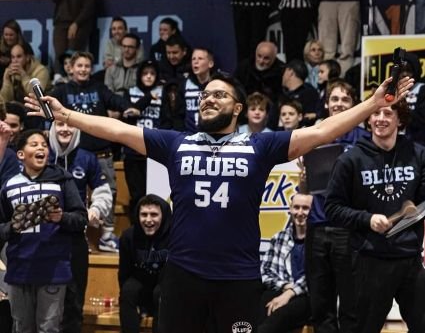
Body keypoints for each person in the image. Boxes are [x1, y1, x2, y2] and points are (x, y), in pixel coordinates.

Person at [24, 72, 414, 333]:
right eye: (205, 95)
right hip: (182, 277)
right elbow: (120, 130)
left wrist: (371, 102)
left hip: (237, 279)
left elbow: (321, 130)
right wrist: (68, 115)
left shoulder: (259, 145)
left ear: (238, 108)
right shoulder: (177, 142)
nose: (208, 99)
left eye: (218, 95)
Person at [325, 99, 425, 333]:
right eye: (375, 113)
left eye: (388, 113)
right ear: (368, 119)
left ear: (399, 119)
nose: (380, 118)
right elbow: (332, 208)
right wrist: (366, 219)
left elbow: (422, 203)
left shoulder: (418, 155)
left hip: (409, 258)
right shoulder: (350, 160)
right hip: (368, 260)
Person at [50, 51, 138, 252]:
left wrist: (129, 107)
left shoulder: (99, 88)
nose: (83, 69)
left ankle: (107, 235)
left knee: (109, 192)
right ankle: (74, 231)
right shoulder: (62, 90)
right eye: (79, 66)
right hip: (74, 154)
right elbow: (47, 110)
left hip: (101, 153)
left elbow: (115, 100)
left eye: (87, 66)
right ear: (70, 68)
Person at [0, 129, 87, 333]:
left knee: (48, 328)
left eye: (44, 145)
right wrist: (12, 226)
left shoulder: (62, 180)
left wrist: (61, 217)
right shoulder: (9, 186)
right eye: (34, 144)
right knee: (22, 327)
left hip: (53, 268)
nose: (41, 148)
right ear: (20, 154)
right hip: (19, 268)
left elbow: (81, 218)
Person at [304, 79, 370, 333]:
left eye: (345, 99)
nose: (339, 104)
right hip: (317, 227)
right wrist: (303, 176)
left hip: (348, 230)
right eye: (335, 99)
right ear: (326, 103)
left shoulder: (365, 139)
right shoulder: (313, 134)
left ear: (354, 104)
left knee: (352, 306)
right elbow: (305, 190)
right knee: (321, 305)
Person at [49, 120, 112, 333]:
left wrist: (96, 210)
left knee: (74, 301)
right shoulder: (42, 154)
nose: (65, 129)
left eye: (70, 125)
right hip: (45, 238)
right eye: (59, 125)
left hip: (75, 237)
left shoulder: (87, 157)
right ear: (52, 128)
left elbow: (103, 191)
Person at [258, 193, 313, 333]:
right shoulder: (279, 238)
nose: (300, 212)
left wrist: (291, 293)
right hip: (281, 289)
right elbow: (265, 272)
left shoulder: (319, 240)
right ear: (290, 209)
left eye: (305, 208)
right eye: (296, 207)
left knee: (273, 323)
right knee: (255, 312)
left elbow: (317, 278)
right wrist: (286, 288)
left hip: (307, 296)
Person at [119, 194, 171, 333]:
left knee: (161, 292)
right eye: (144, 214)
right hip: (141, 285)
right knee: (127, 290)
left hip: (166, 290)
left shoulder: (175, 236)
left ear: (164, 216)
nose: (148, 220)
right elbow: (124, 273)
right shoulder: (128, 236)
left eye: (154, 215)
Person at [123, 60, 164, 219]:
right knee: (137, 197)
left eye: (152, 74)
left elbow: (167, 120)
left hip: (155, 154)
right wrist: (148, 98)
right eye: (145, 73)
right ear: (139, 75)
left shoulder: (163, 93)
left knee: (158, 197)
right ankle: (137, 234)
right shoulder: (130, 91)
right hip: (133, 152)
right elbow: (129, 113)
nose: (148, 77)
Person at [49, 0, 95, 74]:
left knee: (72, 53)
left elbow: (88, 7)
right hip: (60, 24)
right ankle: (58, 79)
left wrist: (76, 23)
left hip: (77, 25)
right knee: (60, 54)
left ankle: (73, 78)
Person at [0, 20, 25, 89]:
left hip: (20, 80)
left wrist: (9, 61)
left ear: (17, 35)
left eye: (11, 35)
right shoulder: (0, 46)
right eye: (6, 35)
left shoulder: (25, 47)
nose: (8, 38)